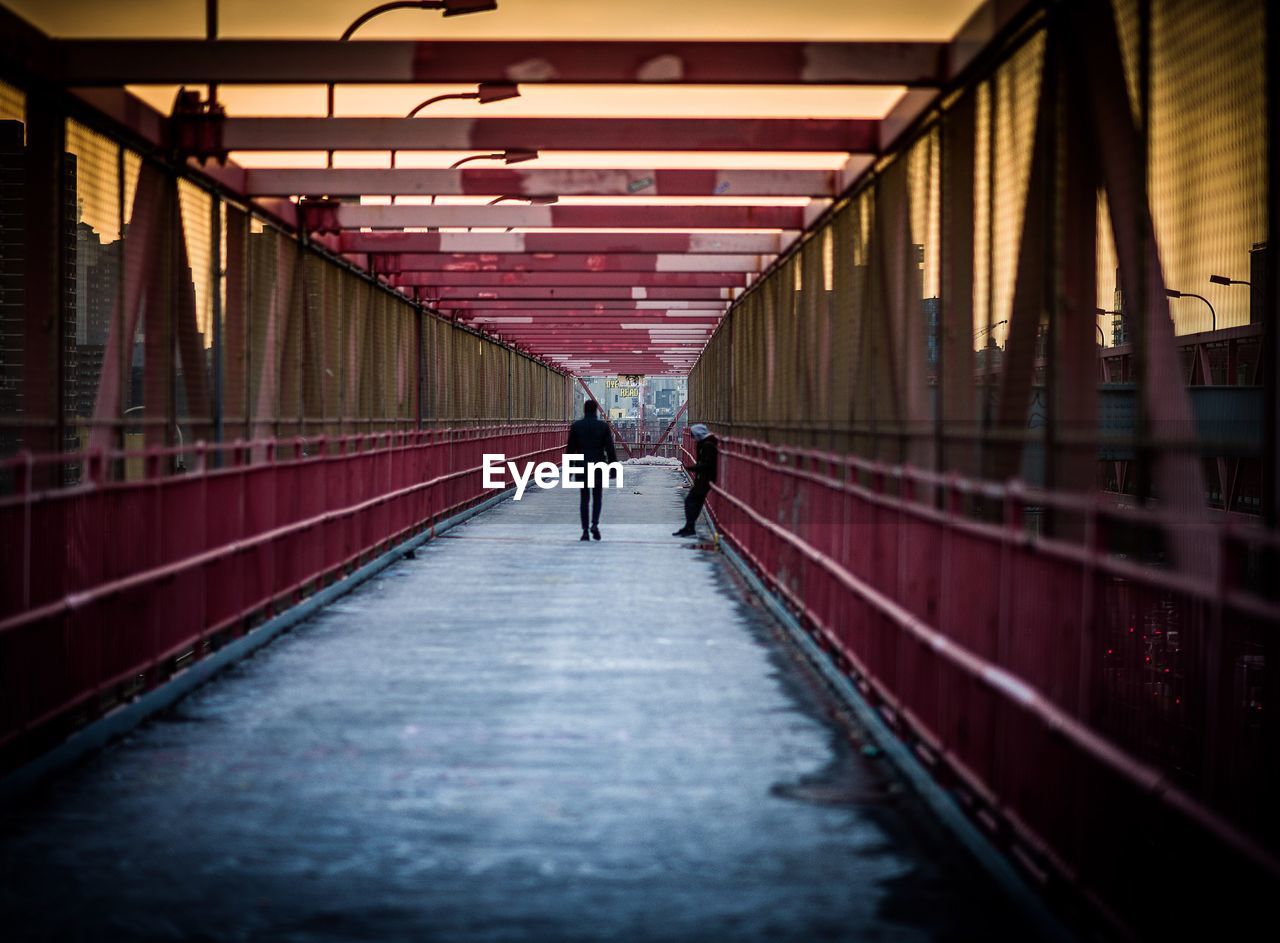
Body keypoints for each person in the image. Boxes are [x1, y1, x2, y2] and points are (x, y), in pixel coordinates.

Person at [566, 400, 618, 541]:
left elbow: (570, 450)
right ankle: (594, 524)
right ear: (596, 410)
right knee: (597, 497)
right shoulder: (603, 426)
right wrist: (613, 469)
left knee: (584, 499)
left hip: (582, 465)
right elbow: (610, 449)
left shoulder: (577, 426)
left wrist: (568, 470)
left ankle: (584, 531)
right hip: (598, 465)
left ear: (584, 410)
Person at [674, 423, 717, 537]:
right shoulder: (707, 443)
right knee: (695, 503)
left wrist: (693, 468)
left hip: (704, 479)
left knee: (691, 501)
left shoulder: (707, 445)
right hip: (703, 479)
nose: (692, 438)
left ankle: (689, 527)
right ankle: (689, 526)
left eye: (693, 435)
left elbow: (707, 464)